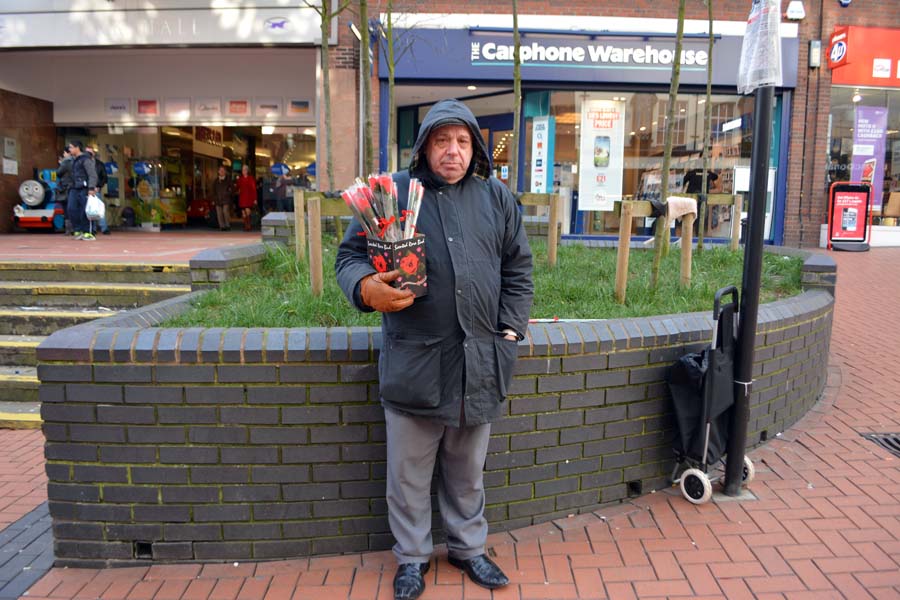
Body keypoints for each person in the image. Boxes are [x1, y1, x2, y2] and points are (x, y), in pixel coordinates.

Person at [336, 99, 533, 600]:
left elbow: (518, 268)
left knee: (468, 471)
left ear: (475, 148)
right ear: (424, 146)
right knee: (408, 473)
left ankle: (469, 549)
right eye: (442, 141)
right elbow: (349, 256)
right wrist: (365, 289)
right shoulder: (394, 195)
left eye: (463, 141)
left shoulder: (496, 198)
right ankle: (412, 558)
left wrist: (510, 329)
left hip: (479, 363)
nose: (453, 151)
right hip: (416, 360)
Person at [66, 140, 98, 241]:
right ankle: (78, 229)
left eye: (71, 147)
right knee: (71, 208)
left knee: (85, 210)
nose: (69, 149)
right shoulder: (71, 160)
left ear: (77, 148)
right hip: (73, 187)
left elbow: (92, 174)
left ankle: (87, 232)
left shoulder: (86, 160)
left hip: (84, 188)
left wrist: (91, 188)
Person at [86, 146, 110, 234]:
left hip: (96, 189)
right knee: (88, 209)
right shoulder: (83, 163)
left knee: (98, 208)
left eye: (90, 152)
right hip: (85, 189)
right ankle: (92, 229)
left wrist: (98, 186)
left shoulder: (99, 164)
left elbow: (104, 177)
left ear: (93, 153)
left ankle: (104, 228)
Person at [56, 148, 74, 234]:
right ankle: (75, 228)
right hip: (74, 186)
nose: (63, 155)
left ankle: (68, 229)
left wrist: (61, 164)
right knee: (73, 207)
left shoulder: (66, 162)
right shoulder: (76, 161)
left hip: (65, 187)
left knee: (66, 208)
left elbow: (59, 173)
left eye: (64, 153)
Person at [235, 164, 257, 231]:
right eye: (242, 170)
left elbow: (254, 189)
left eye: (245, 170)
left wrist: (255, 199)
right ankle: (245, 225)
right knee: (243, 213)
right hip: (242, 198)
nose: (243, 171)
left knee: (248, 212)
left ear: (247, 171)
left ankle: (248, 226)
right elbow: (237, 187)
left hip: (249, 198)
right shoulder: (240, 179)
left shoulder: (251, 179)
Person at [212, 165, 233, 230]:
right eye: (220, 171)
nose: (221, 172)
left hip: (226, 199)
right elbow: (213, 190)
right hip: (218, 199)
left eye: (223, 171)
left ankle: (227, 225)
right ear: (218, 172)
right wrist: (214, 198)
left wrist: (228, 193)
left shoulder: (228, 180)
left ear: (225, 172)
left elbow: (232, 189)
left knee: (225, 211)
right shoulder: (216, 181)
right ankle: (222, 226)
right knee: (219, 213)